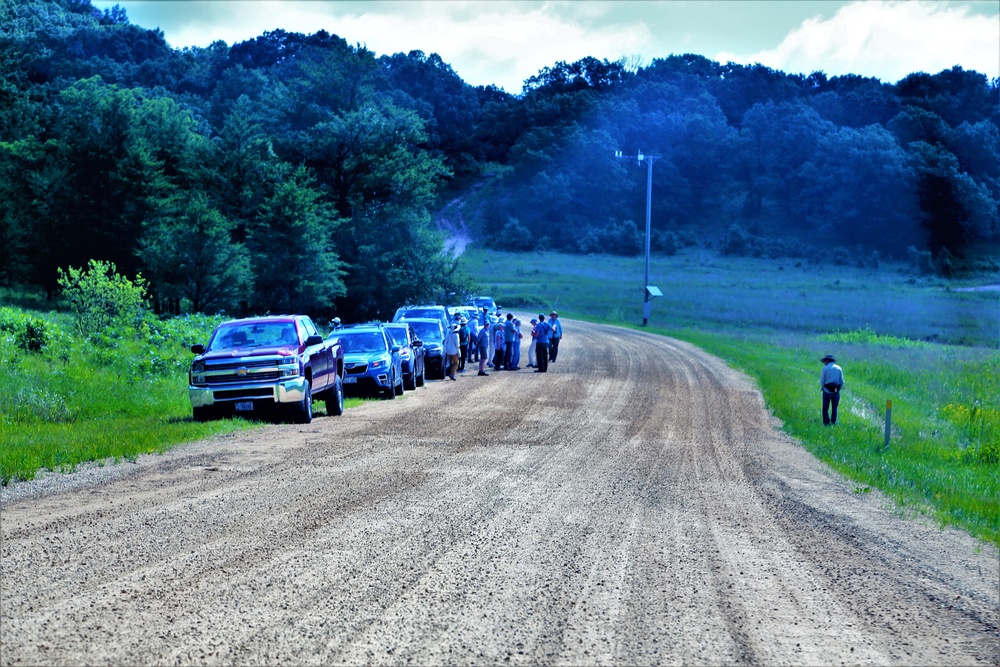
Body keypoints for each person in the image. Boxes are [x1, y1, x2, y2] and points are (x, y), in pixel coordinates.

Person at [820, 354, 845, 425]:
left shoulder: (825, 369)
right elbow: (842, 381)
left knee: (825, 408)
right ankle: (834, 421)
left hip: (826, 391)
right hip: (836, 391)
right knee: (835, 408)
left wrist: (822, 389)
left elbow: (822, 381)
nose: (824, 362)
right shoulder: (839, 368)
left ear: (827, 361)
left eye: (824, 361)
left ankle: (826, 422)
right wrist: (838, 389)